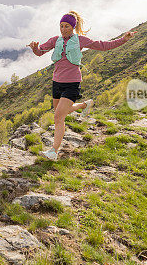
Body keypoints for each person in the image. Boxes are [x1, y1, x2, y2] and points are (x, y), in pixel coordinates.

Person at [28, 11, 135, 160]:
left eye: (66, 26)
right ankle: (86, 105)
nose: (63, 29)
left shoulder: (81, 40)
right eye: (61, 26)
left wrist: (124, 39)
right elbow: (40, 52)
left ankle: (53, 151)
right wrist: (34, 48)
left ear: (73, 27)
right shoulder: (55, 40)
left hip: (72, 83)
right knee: (61, 113)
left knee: (58, 117)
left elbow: (103, 46)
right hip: (57, 82)